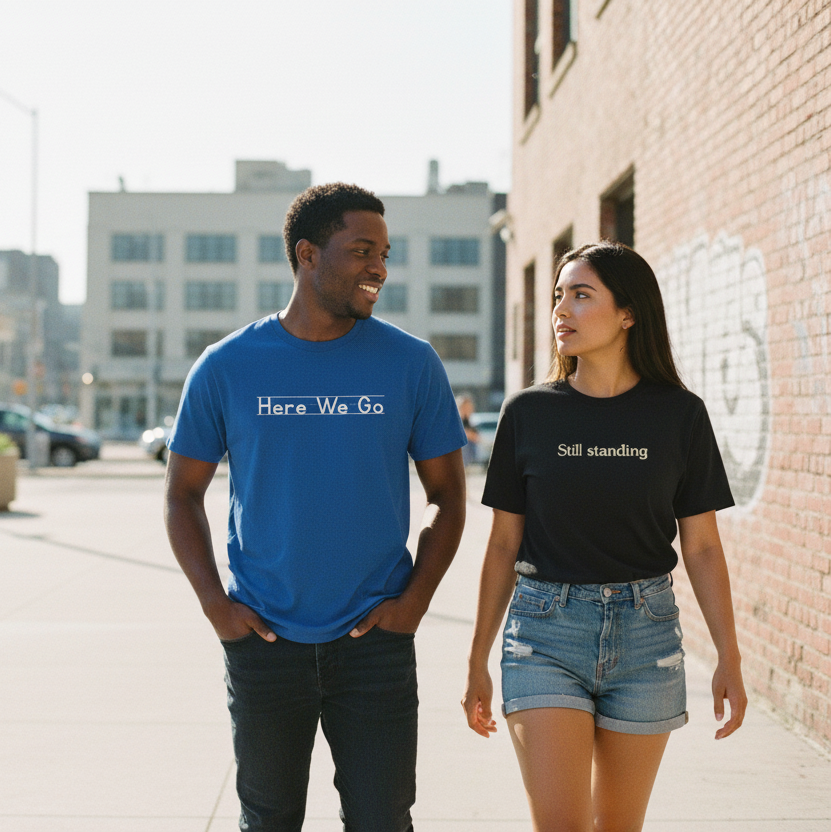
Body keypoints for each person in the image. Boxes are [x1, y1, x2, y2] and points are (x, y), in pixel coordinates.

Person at [164, 182, 467, 831]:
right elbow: (182, 494)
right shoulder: (226, 366)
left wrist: (413, 604)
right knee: (268, 821)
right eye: (361, 251)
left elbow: (448, 497)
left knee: (382, 821)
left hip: (375, 644)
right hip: (264, 641)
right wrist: (216, 606)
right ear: (307, 254)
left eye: (384, 253)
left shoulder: (411, 363)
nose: (379, 267)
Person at [461, 241, 747, 831]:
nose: (561, 309)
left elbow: (701, 546)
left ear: (628, 313)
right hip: (544, 633)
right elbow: (503, 544)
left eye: (581, 295)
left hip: (647, 636)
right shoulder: (528, 413)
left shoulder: (681, 414)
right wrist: (477, 659)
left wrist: (729, 656)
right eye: (558, 295)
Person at [457, 394, 481, 465]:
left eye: (469, 408)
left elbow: (477, 438)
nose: (468, 410)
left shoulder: (471, 424)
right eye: (465, 408)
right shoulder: (456, 423)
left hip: (470, 461)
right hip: (460, 462)